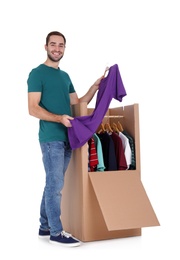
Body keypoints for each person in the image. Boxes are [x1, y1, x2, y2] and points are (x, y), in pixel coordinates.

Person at [27, 31, 103, 247]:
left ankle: (44, 226)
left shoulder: (65, 76)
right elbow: (33, 108)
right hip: (51, 138)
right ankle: (56, 232)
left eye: (61, 45)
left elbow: (76, 103)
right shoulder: (36, 74)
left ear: (64, 49)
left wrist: (94, 87)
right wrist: (58, 118)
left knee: (53, 184)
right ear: (46, 47)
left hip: (68, 137)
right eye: (53, 44)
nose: (57, 49)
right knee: (55, 185)